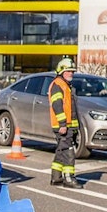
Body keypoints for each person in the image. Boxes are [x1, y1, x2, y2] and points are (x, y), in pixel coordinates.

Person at [48, 57, 80, 188]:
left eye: (72, 71)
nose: (71, 73)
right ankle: (68, 178)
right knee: (68, 151)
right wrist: (62, 124)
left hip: (68, 126)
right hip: (63, 126)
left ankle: (56, 178)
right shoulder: (58, 85)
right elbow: (57, 106)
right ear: (61, 72)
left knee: (62, 150)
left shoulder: (65, 85)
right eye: (68, 71)